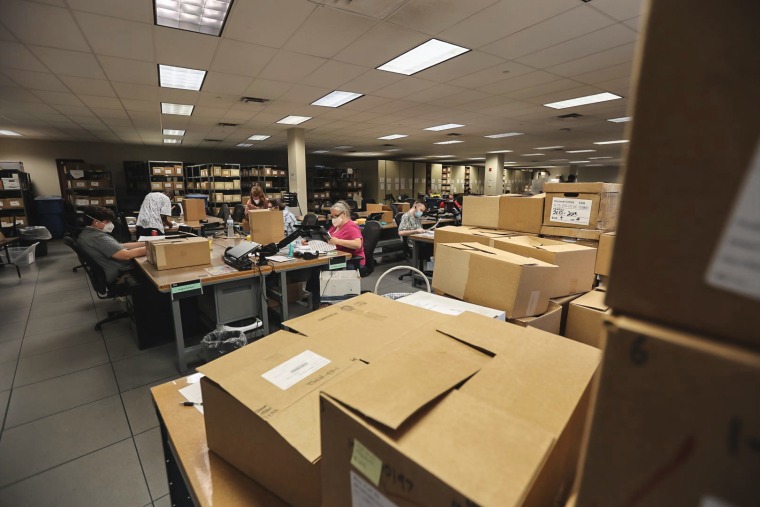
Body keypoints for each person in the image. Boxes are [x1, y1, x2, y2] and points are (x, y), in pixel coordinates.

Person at [77, 206, 146, 284]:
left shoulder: (88, 233)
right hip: (120, 273)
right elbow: (126, 255)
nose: (110, 224)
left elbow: (120, 246)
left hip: (111, 270)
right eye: (107, 221)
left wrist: (145, 243)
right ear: (96, 223)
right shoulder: (98, 237)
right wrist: (152, 248)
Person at [326, 200, 365, 264]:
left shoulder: (351, 227)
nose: (333, 218)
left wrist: (337, 241)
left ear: (344, 213)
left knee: (316, 269)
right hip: (335, 256)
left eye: (336, 216)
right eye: (332, 216)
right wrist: (309, 242)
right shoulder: (335, 226)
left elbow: (358, 244)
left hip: (350, 261)